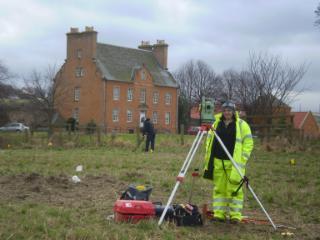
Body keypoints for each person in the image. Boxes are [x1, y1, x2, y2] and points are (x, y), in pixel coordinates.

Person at [203, 100, 253, 223]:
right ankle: (219, 214)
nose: (227, 113)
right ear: (222, 111)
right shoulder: (215, 124)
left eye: (229, 110)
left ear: (233, 112)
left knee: (234, 190)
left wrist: (242, 159)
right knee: (219, 189)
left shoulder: (242, 125)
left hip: (234, 163)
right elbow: (209, 141)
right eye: (225, 110)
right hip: (218, 161)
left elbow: (248, 143)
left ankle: (235, 215)